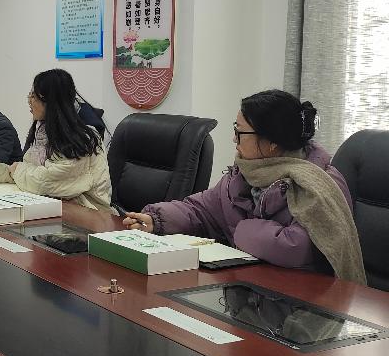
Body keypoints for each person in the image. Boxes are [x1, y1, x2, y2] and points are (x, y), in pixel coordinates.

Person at [123, 89, 366, 283]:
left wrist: (241, 230)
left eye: (240, 132)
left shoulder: (320, 183)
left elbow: (298, 248)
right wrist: (157, 220)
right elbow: (203, 210)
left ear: (271, 143)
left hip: (303, 301)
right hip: (251, 290)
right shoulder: (245, 172)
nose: (233, 139)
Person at [0, 69, 112, 210]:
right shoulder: (43, 133)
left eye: (34, 96)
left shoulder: (83, 140)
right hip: (54, 209)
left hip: (89, 215)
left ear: (51, 101)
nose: (29, 101)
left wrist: (17, 169)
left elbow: (46, 182)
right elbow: (26, 174)